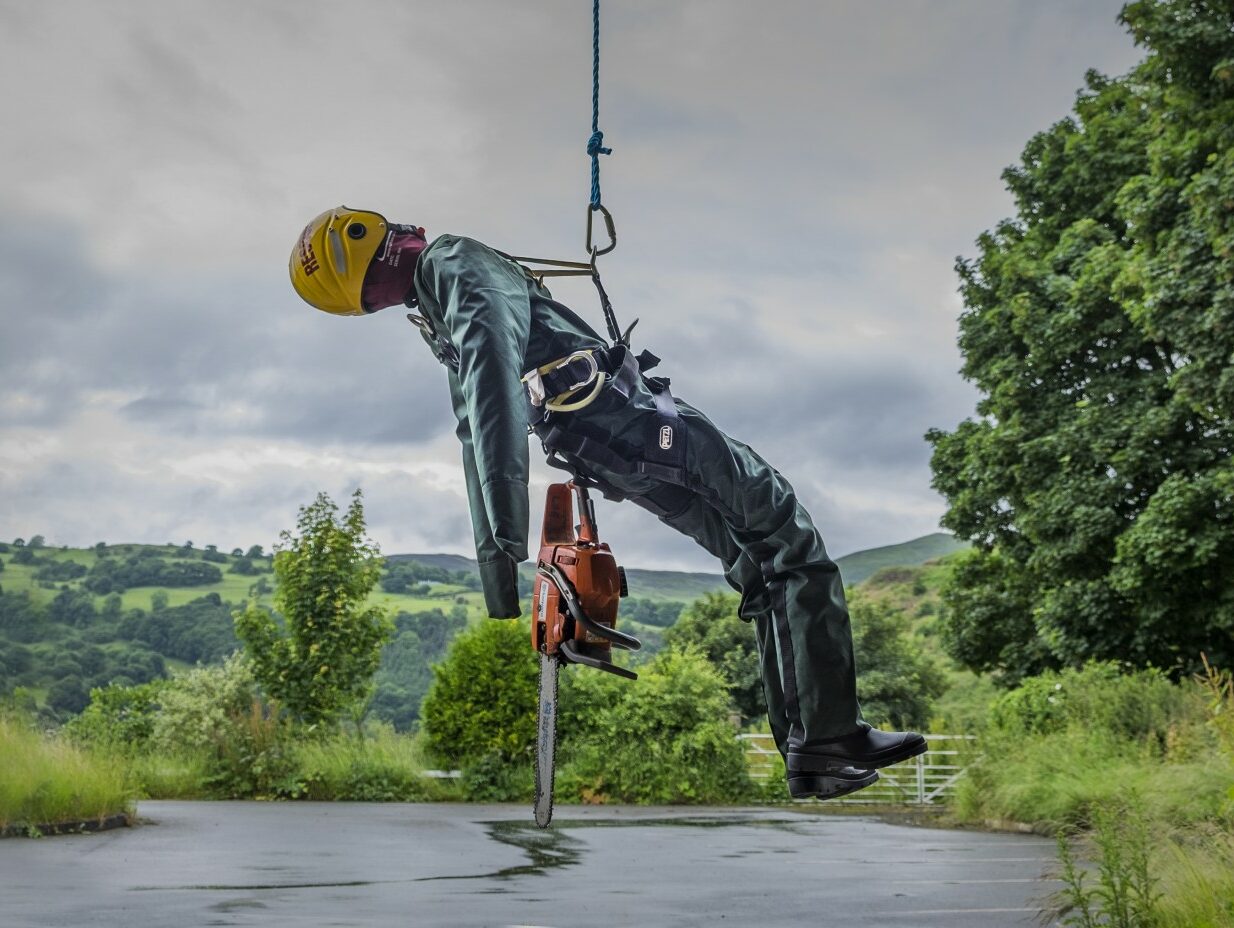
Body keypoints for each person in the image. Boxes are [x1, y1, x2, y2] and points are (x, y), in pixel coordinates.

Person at [289, 206, 927, 799]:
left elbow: (473, 427)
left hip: (604, 450)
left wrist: (497, 560)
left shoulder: (436, 312)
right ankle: (825, 737)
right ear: (370, 235)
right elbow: (489, 402)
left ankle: (811, 748)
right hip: (635, 421)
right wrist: (507, 544)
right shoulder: (454, 262)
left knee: (757, 564)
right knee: (787, 535)